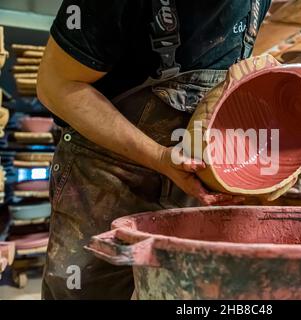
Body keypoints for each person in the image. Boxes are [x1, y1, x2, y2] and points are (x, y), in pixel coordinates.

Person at [37, 0, 271, 299]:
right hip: (106, 174)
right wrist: (159, 157)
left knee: (185, 294)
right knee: (89, 289)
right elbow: (55, 85)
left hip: (191, 175)